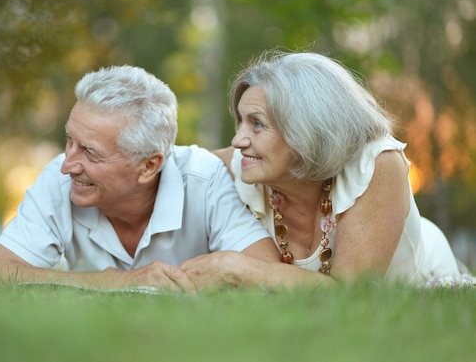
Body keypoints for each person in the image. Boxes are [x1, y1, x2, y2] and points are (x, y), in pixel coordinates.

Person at [180, 50, 474, 289]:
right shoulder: (245, 162)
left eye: (257, 123)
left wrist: (237, 268)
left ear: (305, 131)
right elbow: (169, 164)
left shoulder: (378, 164)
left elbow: (349, 295)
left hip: (420, 278)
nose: (237, 140)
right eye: (240, 122)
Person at [0, 65, 272, 293]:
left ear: (148, 166)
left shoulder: (203, 177)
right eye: (70, 140)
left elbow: (268, 271)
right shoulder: (58, 178)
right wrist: (121, 282)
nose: (68, 165)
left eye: (90, 153)